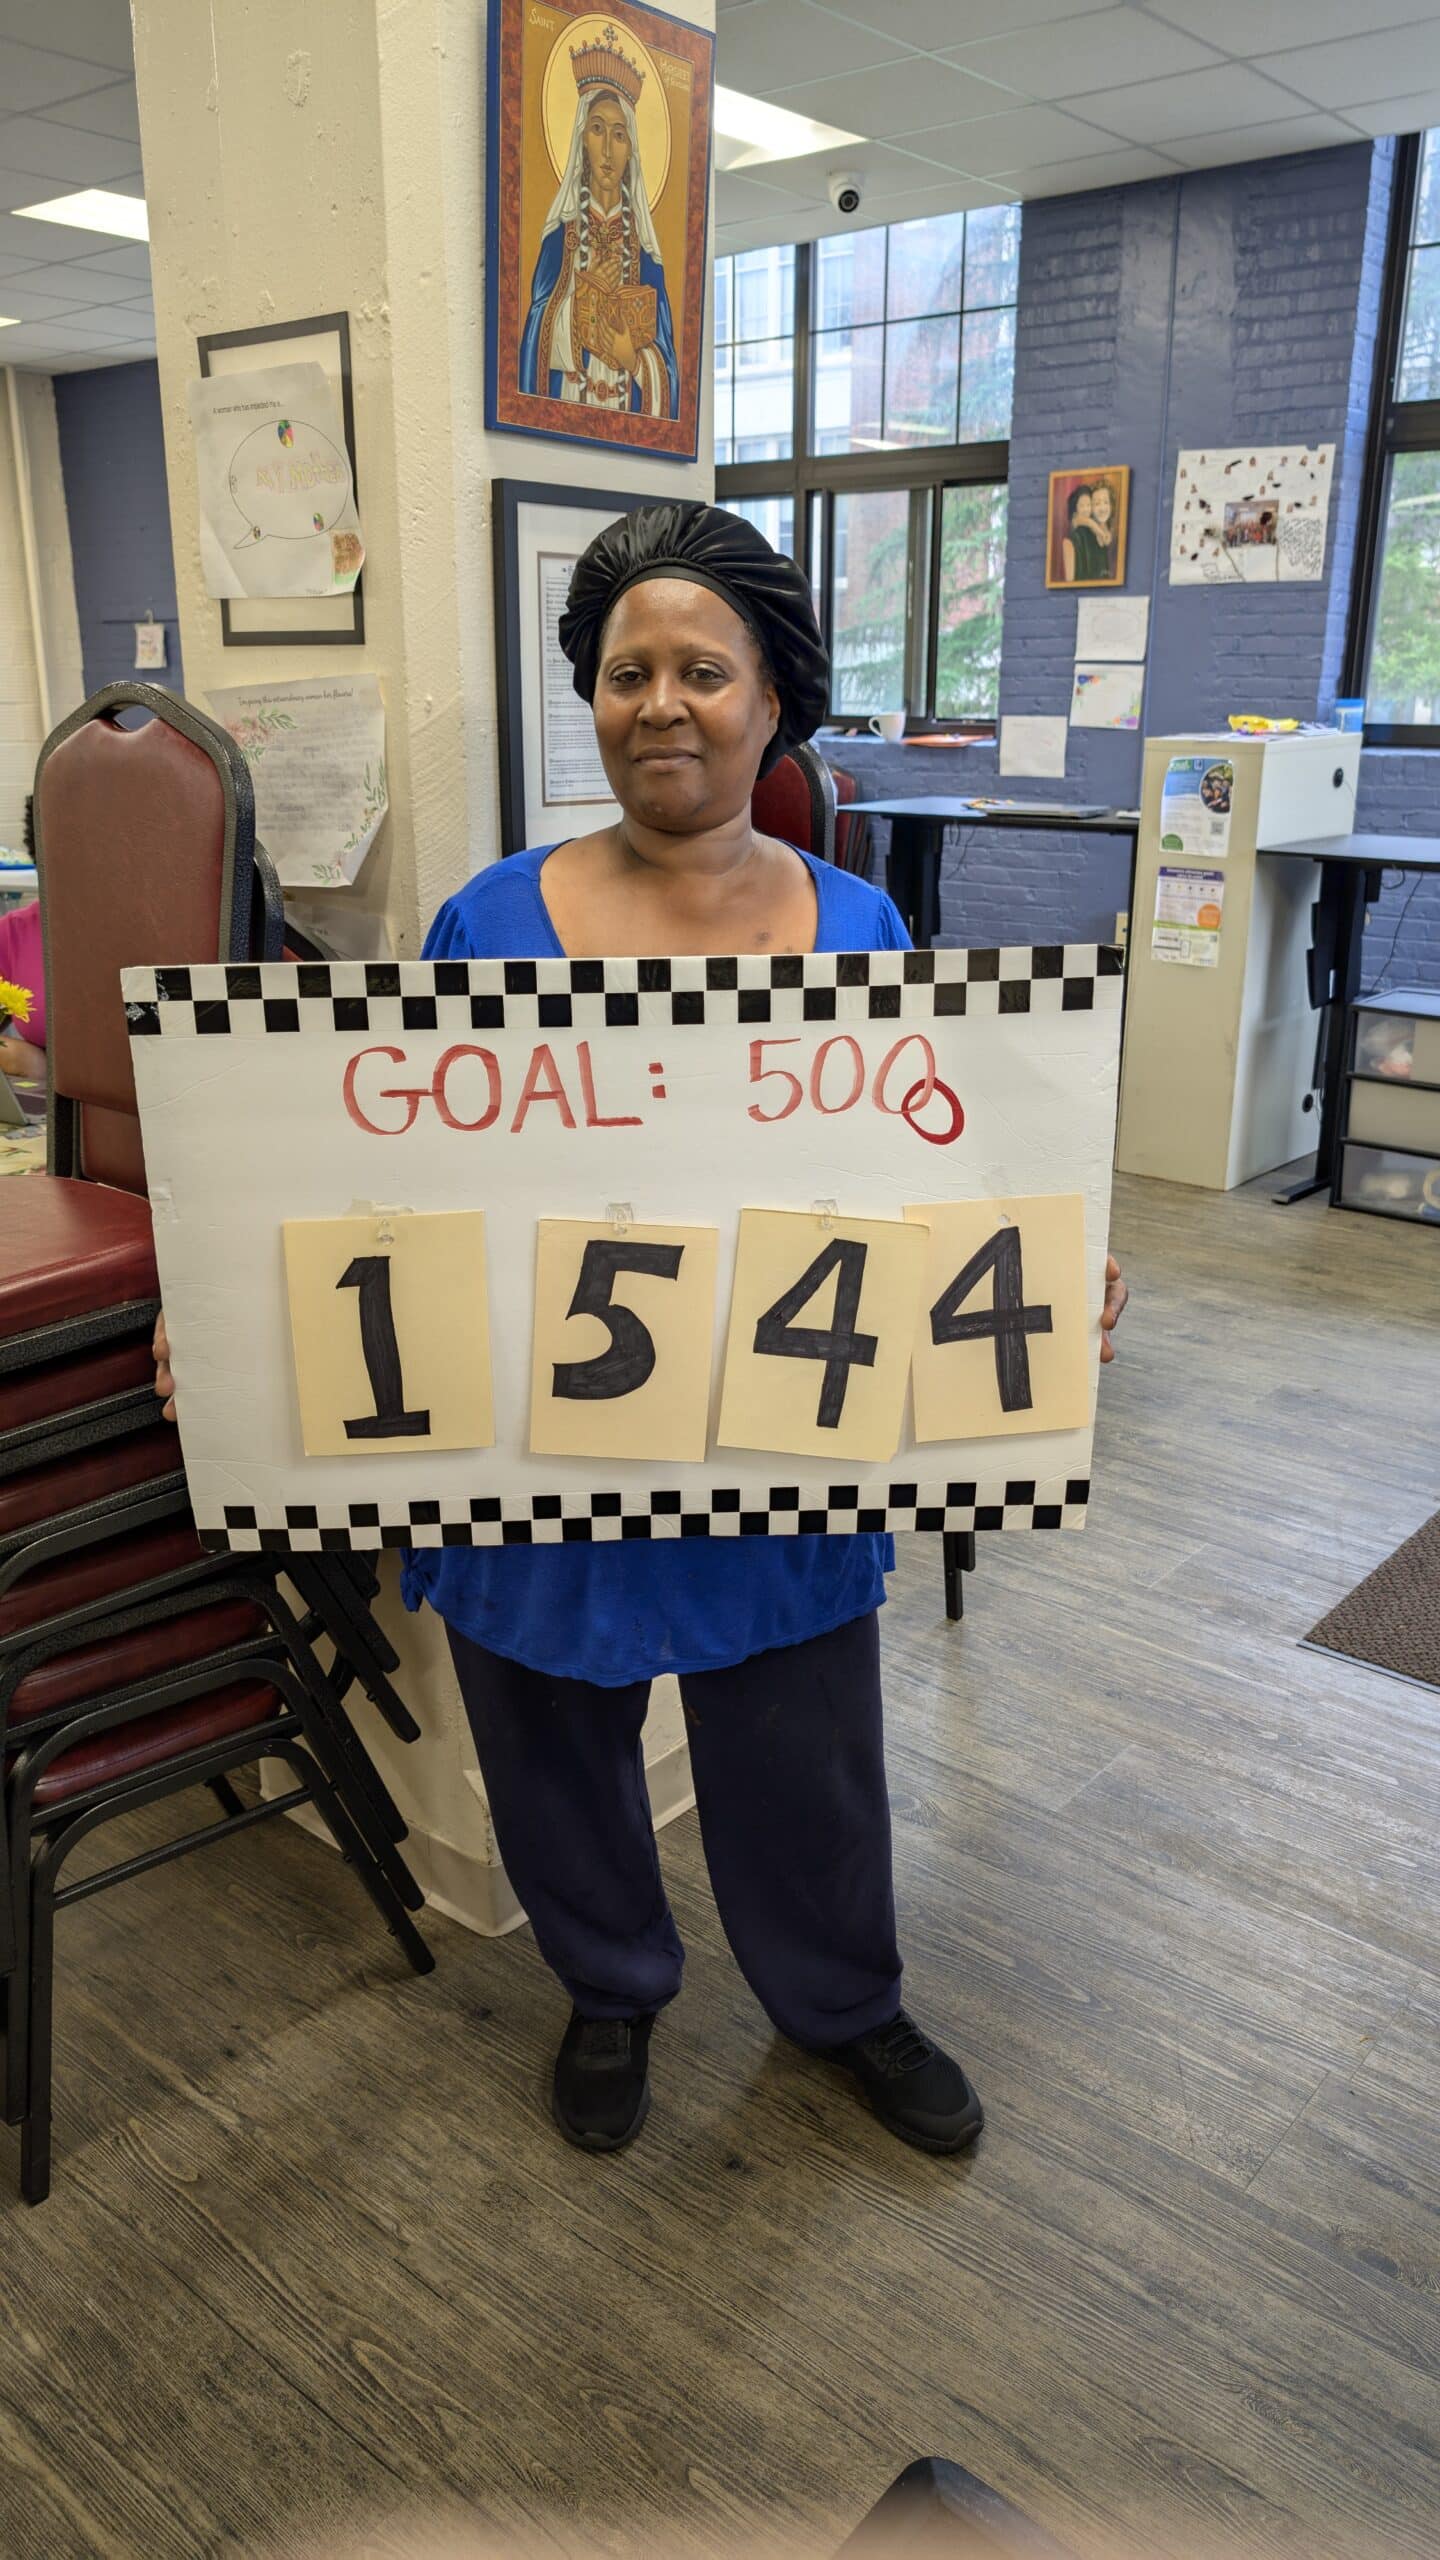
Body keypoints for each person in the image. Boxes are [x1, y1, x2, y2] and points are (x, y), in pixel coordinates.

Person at [155, 503, 1129, 2160]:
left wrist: (1050, 1266)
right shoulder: (487, 924)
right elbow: (380, 1173)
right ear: (591, 699)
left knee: (806, 1752)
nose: (660, 703)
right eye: (625, 674)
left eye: (700, 670)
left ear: (772, 700)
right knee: (548, 1739)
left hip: (777, 1422)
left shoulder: (860, 929)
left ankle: (844, 2003)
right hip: (538, 1434)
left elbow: (935, 1169)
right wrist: (239, 1310)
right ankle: (610, 1988)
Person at [518, 33, 679, 419]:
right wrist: (576, 310)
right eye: (597, 129)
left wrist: (633, 358)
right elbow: (534, 331)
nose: (608, 149)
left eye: (619, 135)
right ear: (582, 140)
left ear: (631, 150)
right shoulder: (563, 235)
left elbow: (669, 364)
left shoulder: (643, 251)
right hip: (569, 407)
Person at [1061, 485, 1106, 584]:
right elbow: (1069, 582)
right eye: (1082, 505)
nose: (1086, 509)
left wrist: (1094, 526)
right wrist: (1092, 524)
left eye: (1089, 505)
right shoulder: (1070, 541)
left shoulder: (1097, 534)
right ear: (1075, 508)